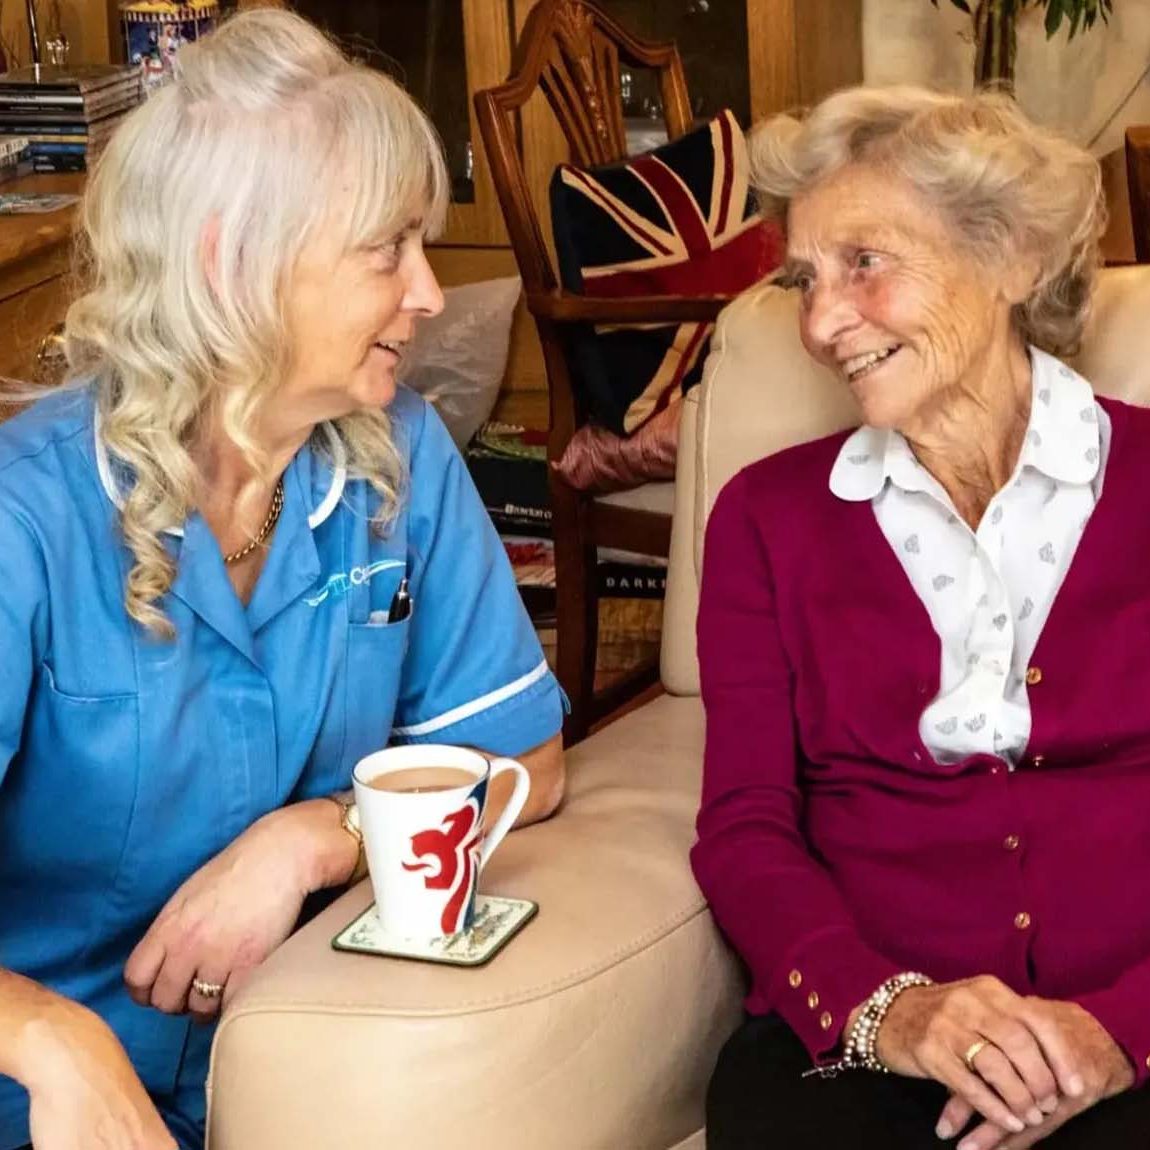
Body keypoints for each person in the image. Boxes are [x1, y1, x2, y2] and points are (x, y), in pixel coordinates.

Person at [0, 10, 565, 1150]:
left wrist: (319, 834)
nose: (428, 294)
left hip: (306, 1067)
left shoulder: (397, 461)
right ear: (232, 260)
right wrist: (54, 1041)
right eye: (384, 251)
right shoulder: (28, 512)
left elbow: (529, 766)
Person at [693, 86, 1150, 1149]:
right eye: (807, 279)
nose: (818, 322)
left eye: (864, 263)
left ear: (1010, 260)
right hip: (872, 1051)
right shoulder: (765, 518)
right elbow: (744, 824)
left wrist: (1120, 1031)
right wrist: (882, 1008)